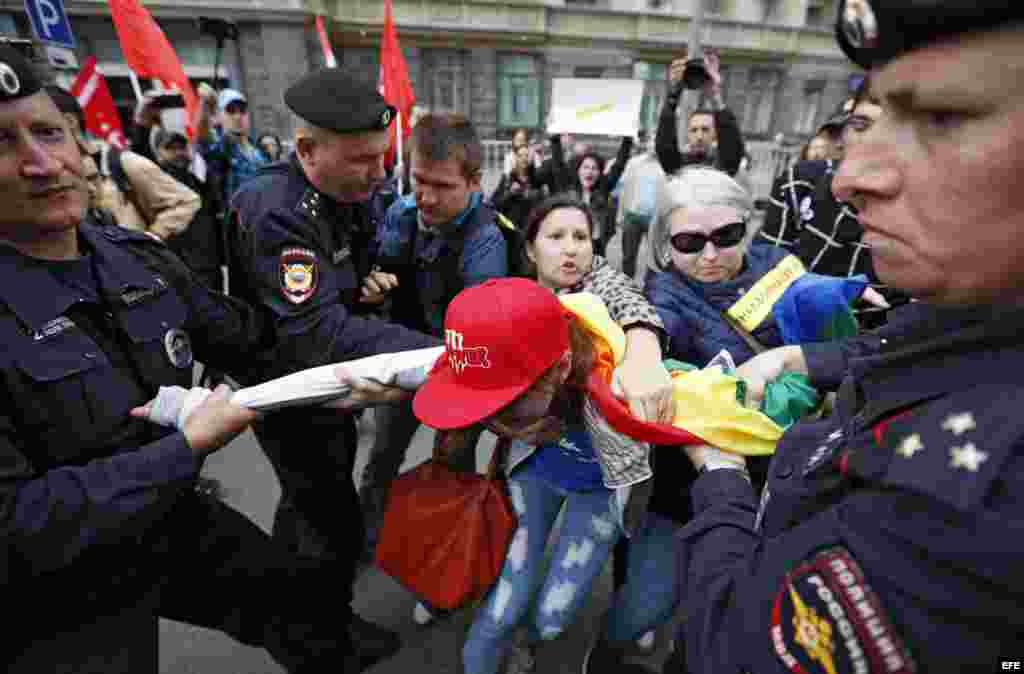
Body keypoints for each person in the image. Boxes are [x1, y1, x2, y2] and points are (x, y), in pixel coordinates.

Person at [675, 2, 1024, 672]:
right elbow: (906, 348)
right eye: (872, 121)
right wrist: (802, 354)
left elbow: (729, 650)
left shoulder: (981, 501)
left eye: (942, 119)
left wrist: (719, 474)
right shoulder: (969, 305)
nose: (850, 178)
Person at [0, 44, 367, 673]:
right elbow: (16, 525)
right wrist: (185, 448)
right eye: (4, 144)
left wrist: (349, 372)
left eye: (49, 133)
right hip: (60, 584)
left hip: (169, 513)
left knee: (297, 601)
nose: (42, 163)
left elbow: (251, 340)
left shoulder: (131, 257)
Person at [225, 68, 440, 665]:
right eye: (361, 160)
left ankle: (323, 624)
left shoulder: (341, 193)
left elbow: (338, 280)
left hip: (327, 383)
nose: (377, 174)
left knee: (320, 513)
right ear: (306, 151)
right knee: (321, 520)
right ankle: (316, 646)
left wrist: (361, 286)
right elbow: (316, 331)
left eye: (381, 157)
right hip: (292, 389)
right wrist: (435, 352)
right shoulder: (275, 208)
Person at [655, 48, 746, 178]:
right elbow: (664, 147)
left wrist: (715, 95)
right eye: (694, 130)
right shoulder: (677, 166)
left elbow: (733, 150)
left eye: (705, 130)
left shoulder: (723, 167)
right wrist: (673, 94)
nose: (699, 136)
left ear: (715, 134)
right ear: (688, 134)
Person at [153, 128, 224, 290]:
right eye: (171, 148)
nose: (178, 153)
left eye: (182, 148)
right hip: (177, 273)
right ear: (158, 153)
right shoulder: (155, 186)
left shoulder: (200, 184)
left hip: (208, 270)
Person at [543, 132, 633, 257]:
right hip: (569, 247)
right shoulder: (567, 187)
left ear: (599, 172)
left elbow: (619, 165)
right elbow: (558, 163)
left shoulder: (603, 189)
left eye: (594, 168)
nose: (589, 172)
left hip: (595, 247)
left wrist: (627, 140)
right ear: (578, 170)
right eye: (585, 167)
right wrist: (555, 138)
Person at [194, 85, 270, 220]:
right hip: (240, 225)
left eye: (242, 111)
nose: (237, 116)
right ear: (218, 117)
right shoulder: (222, 148)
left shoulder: (261, 150)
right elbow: (202, 137)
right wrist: (205, 103)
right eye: (230, 111)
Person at [491, 144, 541, 230]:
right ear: (515, 158)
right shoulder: (507, 179)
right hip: (511, 230)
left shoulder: (536, 179)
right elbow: (494, 205)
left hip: (529, 230)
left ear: (531, 158)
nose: (524, 158)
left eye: (527, 155)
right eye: (520, 156)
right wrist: (510, 193)